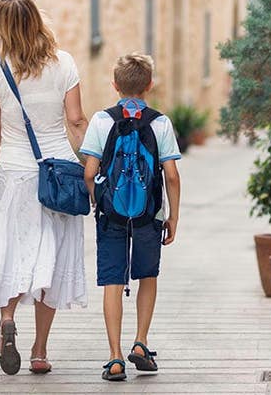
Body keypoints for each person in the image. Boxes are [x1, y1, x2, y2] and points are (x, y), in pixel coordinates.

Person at [0, 0, 89, 375]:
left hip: (15, 174)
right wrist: (90, 166)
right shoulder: (64, 63)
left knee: (14, 252)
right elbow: (76, 121)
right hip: (59, 174)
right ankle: (39, 351)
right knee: (50, 262)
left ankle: (7, 320)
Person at [81, 53, 182, 382]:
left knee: (113, 282)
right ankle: (141, 342)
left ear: (114, 85)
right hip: (148, 216)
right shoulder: (160, 122)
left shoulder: (101, 120)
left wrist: (100, 203)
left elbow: (90, 171)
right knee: (147, 276)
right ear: (150, 85)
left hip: (111, 215)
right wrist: (172, 217)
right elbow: (172, 175)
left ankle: (114, 357)